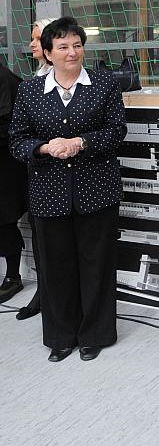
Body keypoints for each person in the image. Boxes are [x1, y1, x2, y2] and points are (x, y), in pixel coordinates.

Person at [9, 16, 126, 362]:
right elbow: (17, 141)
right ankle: (61, 336)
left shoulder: (104, 83)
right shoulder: (29, 91)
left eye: (77, 45)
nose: (72, 52)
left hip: (97, 191)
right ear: (47, 53)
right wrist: (45, 148)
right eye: (62, 46)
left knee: (97, 265)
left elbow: (117, 131)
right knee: (56, 268)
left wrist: (80, 142)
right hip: (48, 193)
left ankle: (95, 334)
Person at [13, 17, 58, 321]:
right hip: (38, 170)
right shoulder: (34, 81)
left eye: (36, 38)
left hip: (63, 175)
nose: (31, 44)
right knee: (42, 242)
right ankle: (43, 294)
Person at [0, 65, 25, 304]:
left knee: (4, 222)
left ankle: (12, 276)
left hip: (5, 167)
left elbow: (11, 127)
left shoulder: (6, 79)